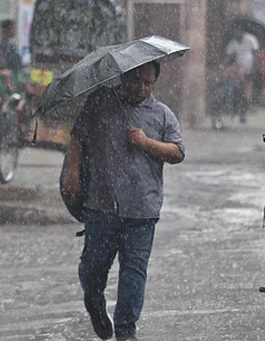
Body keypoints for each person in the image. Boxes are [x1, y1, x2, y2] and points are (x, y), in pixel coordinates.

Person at [62, 61, 185, 341]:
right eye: (135, 81)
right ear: (123, 78)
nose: (141, 88)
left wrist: (146, 143)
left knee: (133, 273)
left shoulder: (162, 115)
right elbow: (77, 138)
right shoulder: (100, 103)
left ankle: (126, 330)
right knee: (92, 270)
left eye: (147, 83)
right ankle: (95, 305)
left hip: (142, 210)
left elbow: (177, 152)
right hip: (101, 207)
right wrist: (73, 172)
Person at [224, 29, 260, 123]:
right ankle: (234, 104)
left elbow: (255, 54)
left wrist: (254, 68)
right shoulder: (233, 43)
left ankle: (244, 109)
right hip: (238, 69)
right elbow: (229, 56)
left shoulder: (251, 40)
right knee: (236, 88)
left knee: (246, 92)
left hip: (249, 68)